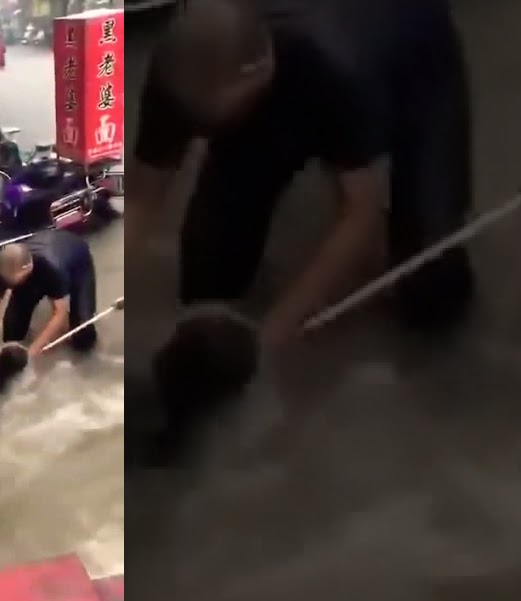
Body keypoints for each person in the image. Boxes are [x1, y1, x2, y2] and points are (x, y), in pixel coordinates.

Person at [125, 0, 475, 350]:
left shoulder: (336, 69)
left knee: (431, 286)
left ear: (256, 72)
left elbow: (360, 211)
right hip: (287, 79)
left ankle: (398, 228)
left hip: (408, 56)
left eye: (212, 124)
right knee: (208, 276)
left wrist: (275, 332)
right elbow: (143, 195)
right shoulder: (179, 70)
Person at [0, 231, 99, 356]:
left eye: (13, 283)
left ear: (27, 268)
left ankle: (70, 322)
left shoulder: (52, 268)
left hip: (76, 264)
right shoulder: (2, 270)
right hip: (37, 266)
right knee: (11, 335)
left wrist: (33, 351)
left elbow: (60, 313)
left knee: (83, 336)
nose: (8, 286)